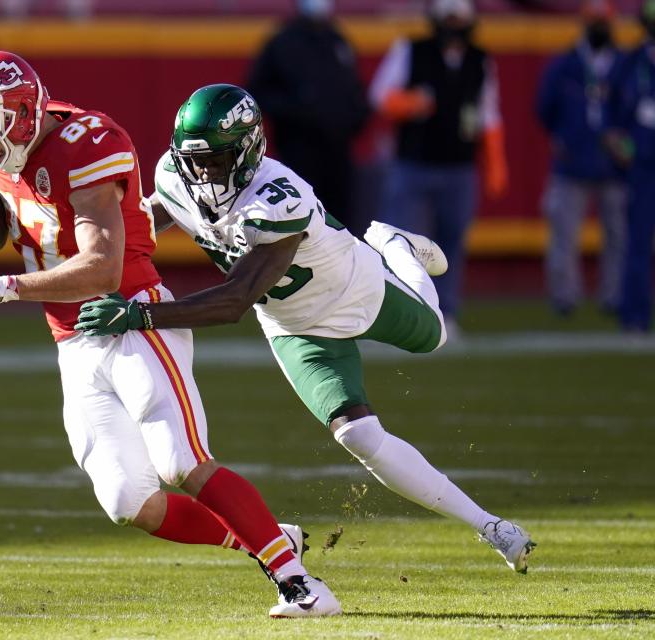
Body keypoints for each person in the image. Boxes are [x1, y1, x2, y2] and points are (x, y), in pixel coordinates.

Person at [0, 51, 340, 618]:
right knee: (128, 500)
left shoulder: (88, 143)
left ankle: (299, 583)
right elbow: (5, 235)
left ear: (21, 113)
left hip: (130, 316)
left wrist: (7, 288)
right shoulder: (9, 150)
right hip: (71, 339)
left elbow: (102, 266)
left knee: (180, 461)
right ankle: (270, 538)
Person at [75, 84, 536, 574]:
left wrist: (142, 315)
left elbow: (234, 301)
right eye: (198, 160)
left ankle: (397, 246)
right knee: (357, 436)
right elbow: (144, 224)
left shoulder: (278, 199)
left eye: (218, 159)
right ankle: (490, 525)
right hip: (295, 328)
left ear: (250, 149)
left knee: (436, 334)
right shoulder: (175, 175)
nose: (205, 173)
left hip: (356, 291)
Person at [369, 0, 507, 339]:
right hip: (413, 164)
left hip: (459, 166)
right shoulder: (411, 49)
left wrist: (495, 162)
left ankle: (445, 313)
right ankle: (392, 314)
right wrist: (409, 102)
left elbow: (488, 114)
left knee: (450, 244)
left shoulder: (479, 59)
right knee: (397, 242)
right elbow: (380, 95)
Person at [246, 0, 368, 235]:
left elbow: (354, 90)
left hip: (339, 153)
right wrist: (301, 111)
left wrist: (354, 118)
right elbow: (258, 93)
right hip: (299, 153)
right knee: (301, 222)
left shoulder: (337, 39)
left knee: (340, 226)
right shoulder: (282, 42)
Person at [536, 0, 626, 317]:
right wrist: (563, 136)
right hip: (572, 162)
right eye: (594, 21)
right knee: (564, 233)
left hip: (615, 165)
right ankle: (565, 297)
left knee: (618, 234)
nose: (599, 28)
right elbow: (544, 108)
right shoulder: (565, 64)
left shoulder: (624, 64)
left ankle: (614, 295)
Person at [605, 0, 655, 333]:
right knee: (637, 242)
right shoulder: (630, 61)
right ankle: (635, 316)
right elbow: (610, 117)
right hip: (644, 167)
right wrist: (617, 143)